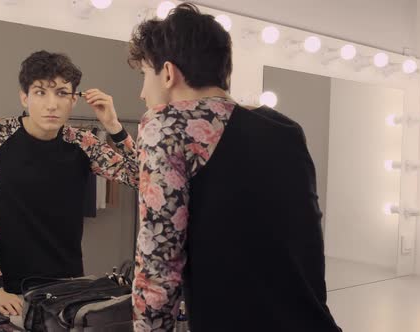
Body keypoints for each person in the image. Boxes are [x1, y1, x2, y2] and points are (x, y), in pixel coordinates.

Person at [128, 3, 342, 331]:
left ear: (168, 73)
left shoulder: (167, 124)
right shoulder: (285, 127)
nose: (143, 92)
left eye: (145, 74)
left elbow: (159, 263)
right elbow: (308, 243)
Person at [0, 50, 138, 317]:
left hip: (68, 282)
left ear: (74, 100)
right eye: (40, 92)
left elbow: (143, 177)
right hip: (9, 286)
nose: (51, 104)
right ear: (24, 97)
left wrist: (114, 127)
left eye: (61, 93)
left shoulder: (83, 142)